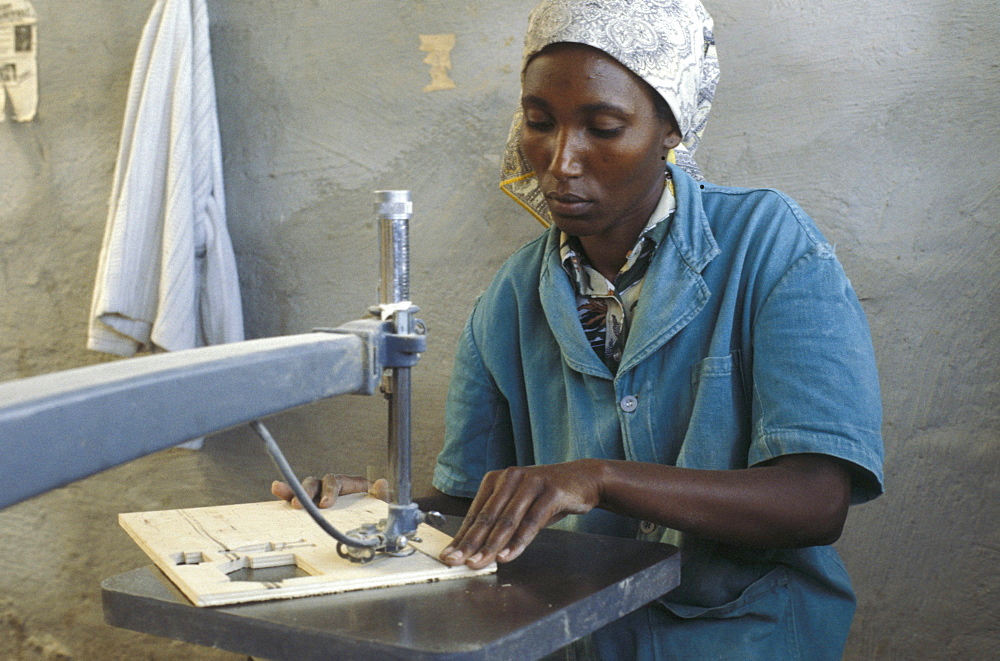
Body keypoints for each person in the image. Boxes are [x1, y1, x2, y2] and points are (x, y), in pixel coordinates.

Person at [275, 1, 884, 657]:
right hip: (580, 642)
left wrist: (599, 477)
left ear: (670, 128)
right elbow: (472, 503)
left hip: (745, 636)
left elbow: (817, 501)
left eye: (603, 126)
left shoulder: (769, 246)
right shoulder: (509, 300)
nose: (561, 160)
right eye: (540, 122)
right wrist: (373, 511)